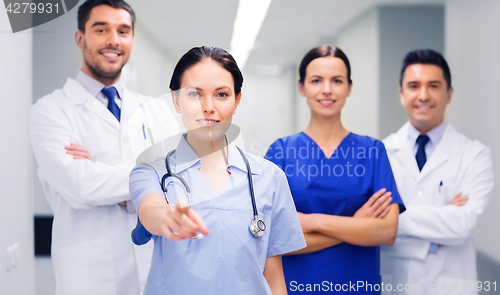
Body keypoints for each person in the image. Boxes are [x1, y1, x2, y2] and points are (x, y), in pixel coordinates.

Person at [29, 0, 179, 294]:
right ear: (80, 38)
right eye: (101, 29)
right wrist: (147, 183)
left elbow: (179, 180)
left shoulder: (155, 110)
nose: (114, 40)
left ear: (131, 40)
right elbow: (80, 185)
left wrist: (101, 173)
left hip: (155, 268)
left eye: (123, 31)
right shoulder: (49, 111)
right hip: (89, 276)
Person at [129, 46, 306, 295]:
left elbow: (273, 275)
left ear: (237, 100)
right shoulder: (152, 172)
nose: (208, 106)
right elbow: (151, 210)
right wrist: (167, 217)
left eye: (221, 95)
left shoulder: (270, 177)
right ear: (176, 100)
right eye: (194, 94)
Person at [265, 45, 406, 294]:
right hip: (299, 286)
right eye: (316, 80)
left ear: (349, 87)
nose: (327, 89)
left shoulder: (373, 151)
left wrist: (310, 221)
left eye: (337, 80)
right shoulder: (281, 152)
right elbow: (273, 240)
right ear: (302, 87)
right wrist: (356, 226)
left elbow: (387, 231)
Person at [380, 49, 494, 295]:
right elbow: (370, 226)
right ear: (401, 93)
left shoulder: (475, 154)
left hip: (451, 285)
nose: (423, 95)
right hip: (395, 284)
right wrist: (444, 215)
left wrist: (391, 219)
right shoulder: (381, 153)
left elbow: (465, 224)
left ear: (449, 93)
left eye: (434, 85)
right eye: (413, 86)